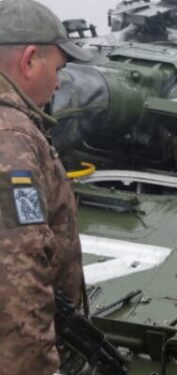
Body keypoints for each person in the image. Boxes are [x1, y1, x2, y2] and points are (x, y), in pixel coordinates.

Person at [0, 1, 93, 374]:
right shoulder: (13, 140)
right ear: (28, 62)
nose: (57, 82)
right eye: (57, 68)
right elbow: (16, 270)